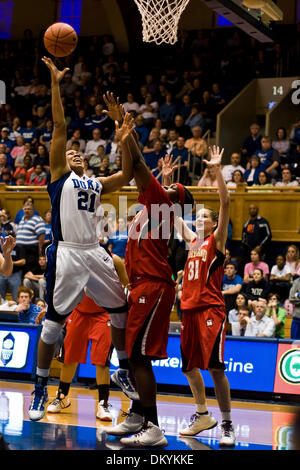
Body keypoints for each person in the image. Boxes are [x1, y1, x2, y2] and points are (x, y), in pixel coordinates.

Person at [28, 58, 137, 422]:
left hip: (96, 252)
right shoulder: (60, 178)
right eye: (69, 151)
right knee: (53, 323)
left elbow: (126, 173)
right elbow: (59, 125)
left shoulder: (97, 182)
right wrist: (56, 83)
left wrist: (124, 138)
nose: (73, 152)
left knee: (121, 308)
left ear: (87, 162)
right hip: (69, 253)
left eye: (78, 152)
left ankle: (122, 369)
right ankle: (41, 388)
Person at [104, 97, 194, 448]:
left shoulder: (160, 202)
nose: (168, 185)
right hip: (143, 285)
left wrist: (126, 132)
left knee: (139, 357)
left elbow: (139, 165)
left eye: (175, 189)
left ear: (176, 199)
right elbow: (136, 170)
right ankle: (138, 416)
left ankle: (153, 427)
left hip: (154, 287)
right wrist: (123, 134)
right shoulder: (151, 203)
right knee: (134, 353)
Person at [178, 145, 235, 447]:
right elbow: (175, 217)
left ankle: (226, 423)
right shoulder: (191, 242)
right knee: (188, 367)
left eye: (204, 218)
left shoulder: (217, 241)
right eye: (196, 218)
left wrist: (216, 171)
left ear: (213, 224)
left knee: (215, 367)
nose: (199, 222)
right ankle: (202, 413)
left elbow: (225, 202)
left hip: (211, 310)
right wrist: (166, 186)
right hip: (188, 311)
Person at [47, 253, 129, 421]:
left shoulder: (114, 260)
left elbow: (127, 285)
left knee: (102, 361)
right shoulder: (76, 255)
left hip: (104, 313)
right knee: (69, 358)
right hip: (79, 311)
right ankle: (62, 397)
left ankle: (103, 403)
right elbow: (65, 285)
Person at [15, 201, 45, 272]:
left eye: (29, 209)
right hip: (20, 250)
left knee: (30, 270)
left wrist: (40, 251)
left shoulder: (37, 219)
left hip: (31, 250)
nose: (27, 211)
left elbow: (41, 236)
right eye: (25, 209)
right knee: (22, 271)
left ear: (33, 210)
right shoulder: (22, 219)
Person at [0, 231, 25, 302]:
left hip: (15, 273)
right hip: (3, 276)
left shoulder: (19, 248)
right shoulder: (2, 247)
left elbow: (6, 272)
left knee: (15, 296)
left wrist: (7, 255)